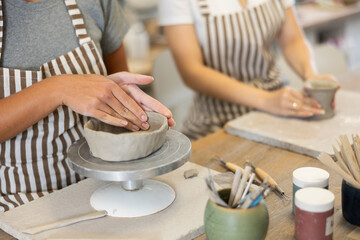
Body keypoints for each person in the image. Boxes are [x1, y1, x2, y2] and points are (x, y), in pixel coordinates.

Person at [0, 0, 174, 212]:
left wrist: (120, 97)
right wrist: (58, 88)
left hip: (108, 182)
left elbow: (119, 84)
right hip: (25, 201)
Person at [158, 0, 336, 140]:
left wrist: (311, 76)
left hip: (277, 105)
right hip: (217, 118)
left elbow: (292, 41)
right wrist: (266, 100)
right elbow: (192, 72)